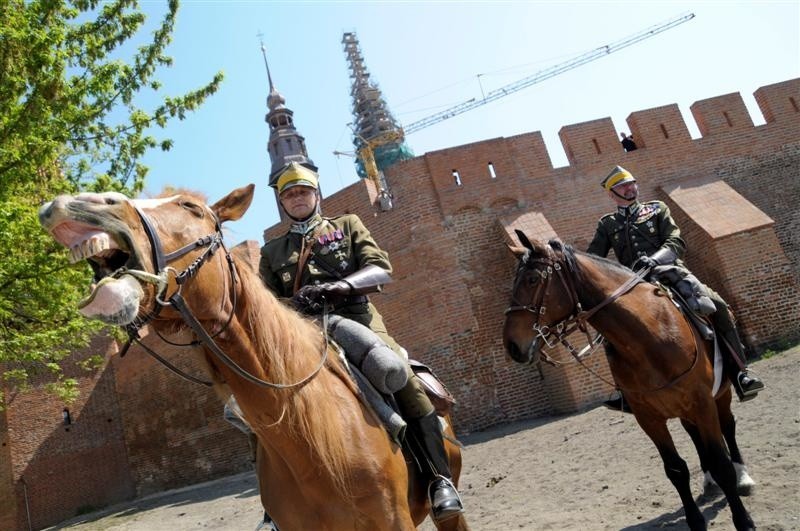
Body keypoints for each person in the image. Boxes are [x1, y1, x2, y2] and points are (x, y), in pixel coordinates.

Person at [257, 162, 464, 521]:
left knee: (398, 373)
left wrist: (342, 286)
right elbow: (265, 304)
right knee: (256, 406)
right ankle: (274, 511)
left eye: (303, 191)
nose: (297, 198)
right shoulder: (272, 251)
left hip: (356, 320)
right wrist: (291, 305)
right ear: (282, 202)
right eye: (289, 194)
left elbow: (380, 268)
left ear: (315, 194)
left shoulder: (347, 226)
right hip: (302, 335)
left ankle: (438, 479)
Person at [587, 165, 765, 412]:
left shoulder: (657, 209)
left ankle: (740, 374)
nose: (631, 188)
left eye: (632, 183)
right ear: (612, 194)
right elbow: (594, 258)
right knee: (611, 331)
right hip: (634, 285)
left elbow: (676, 240)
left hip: (670, 273)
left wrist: (656, 259)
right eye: (623, 186)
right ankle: (626, 392)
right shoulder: (607, 224)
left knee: (718, 306)